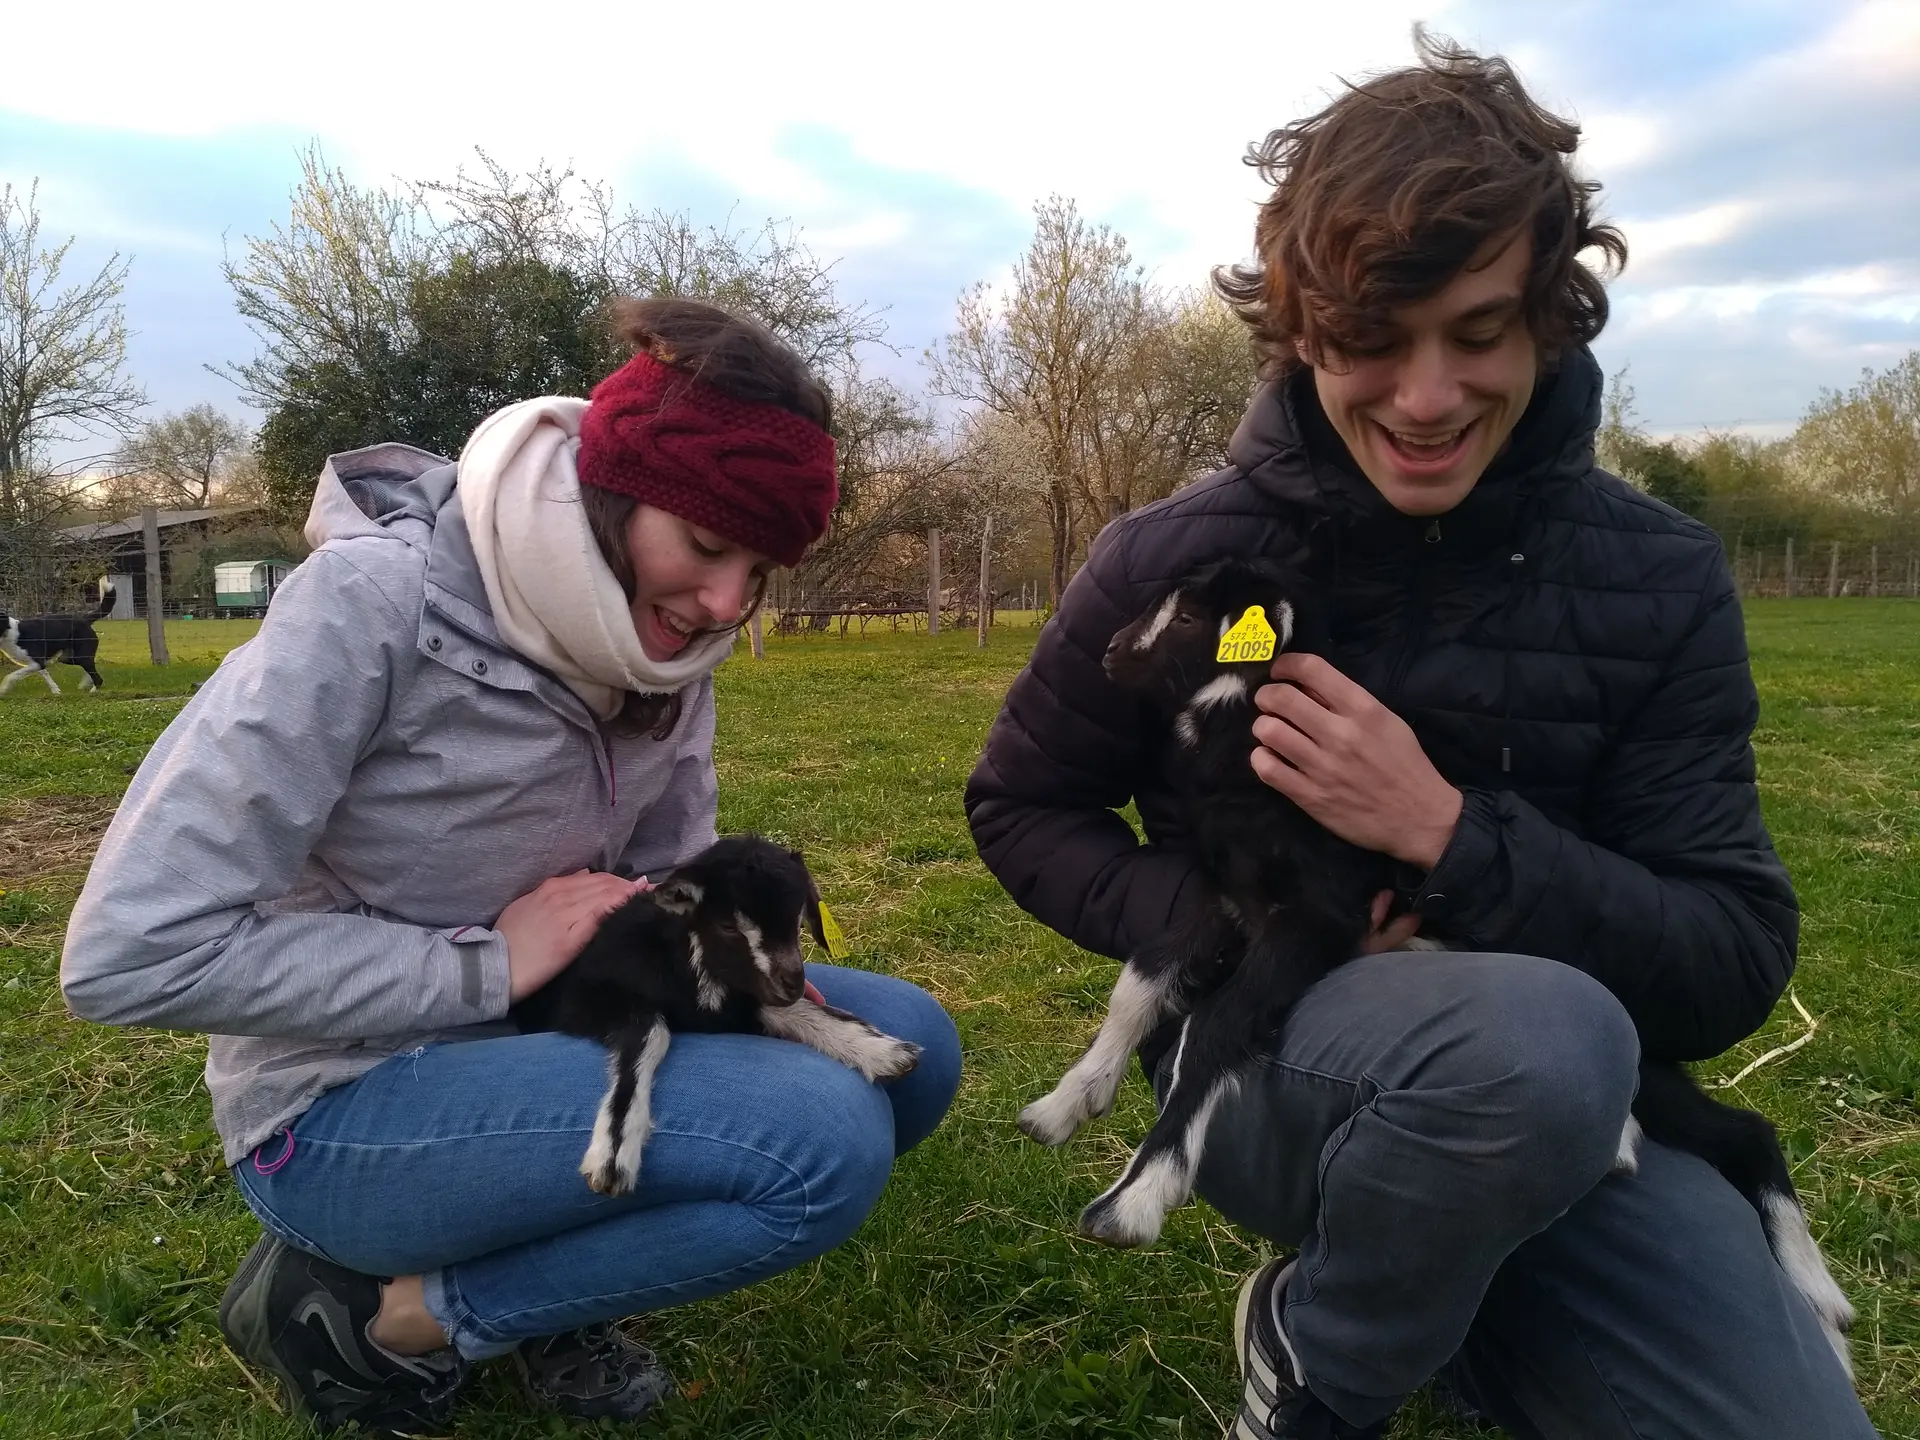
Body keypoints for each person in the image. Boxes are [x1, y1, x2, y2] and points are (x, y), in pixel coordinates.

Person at [965, 35, 1877, 1440]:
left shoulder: (1660, 575)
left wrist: (1449, 835)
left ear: (1550, 320)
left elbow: (1730, 957)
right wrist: (1228, 926)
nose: (1428, 396)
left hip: (1598, 1116)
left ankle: (1469, 1303)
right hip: (1271, 1063)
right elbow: (1022, 804)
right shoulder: (1177, 558)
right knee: (1534, 1044)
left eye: (1478, 332)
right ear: (1300, 331)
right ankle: (1324, 1356)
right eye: (1373, 342)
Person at [61, 298, 962, 1436]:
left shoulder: (664, 644)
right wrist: (486, 966)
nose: (727, 605)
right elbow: (128, 953)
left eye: (761, 569)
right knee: (818, 1144)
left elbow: (662, 875)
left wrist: (736, 974)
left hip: (559, 1030)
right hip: (343, 1100)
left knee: (913, 1052)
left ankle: (549, 1254)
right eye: (706, 548)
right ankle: (392, 1321)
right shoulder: (369, 606)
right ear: (613, 497)